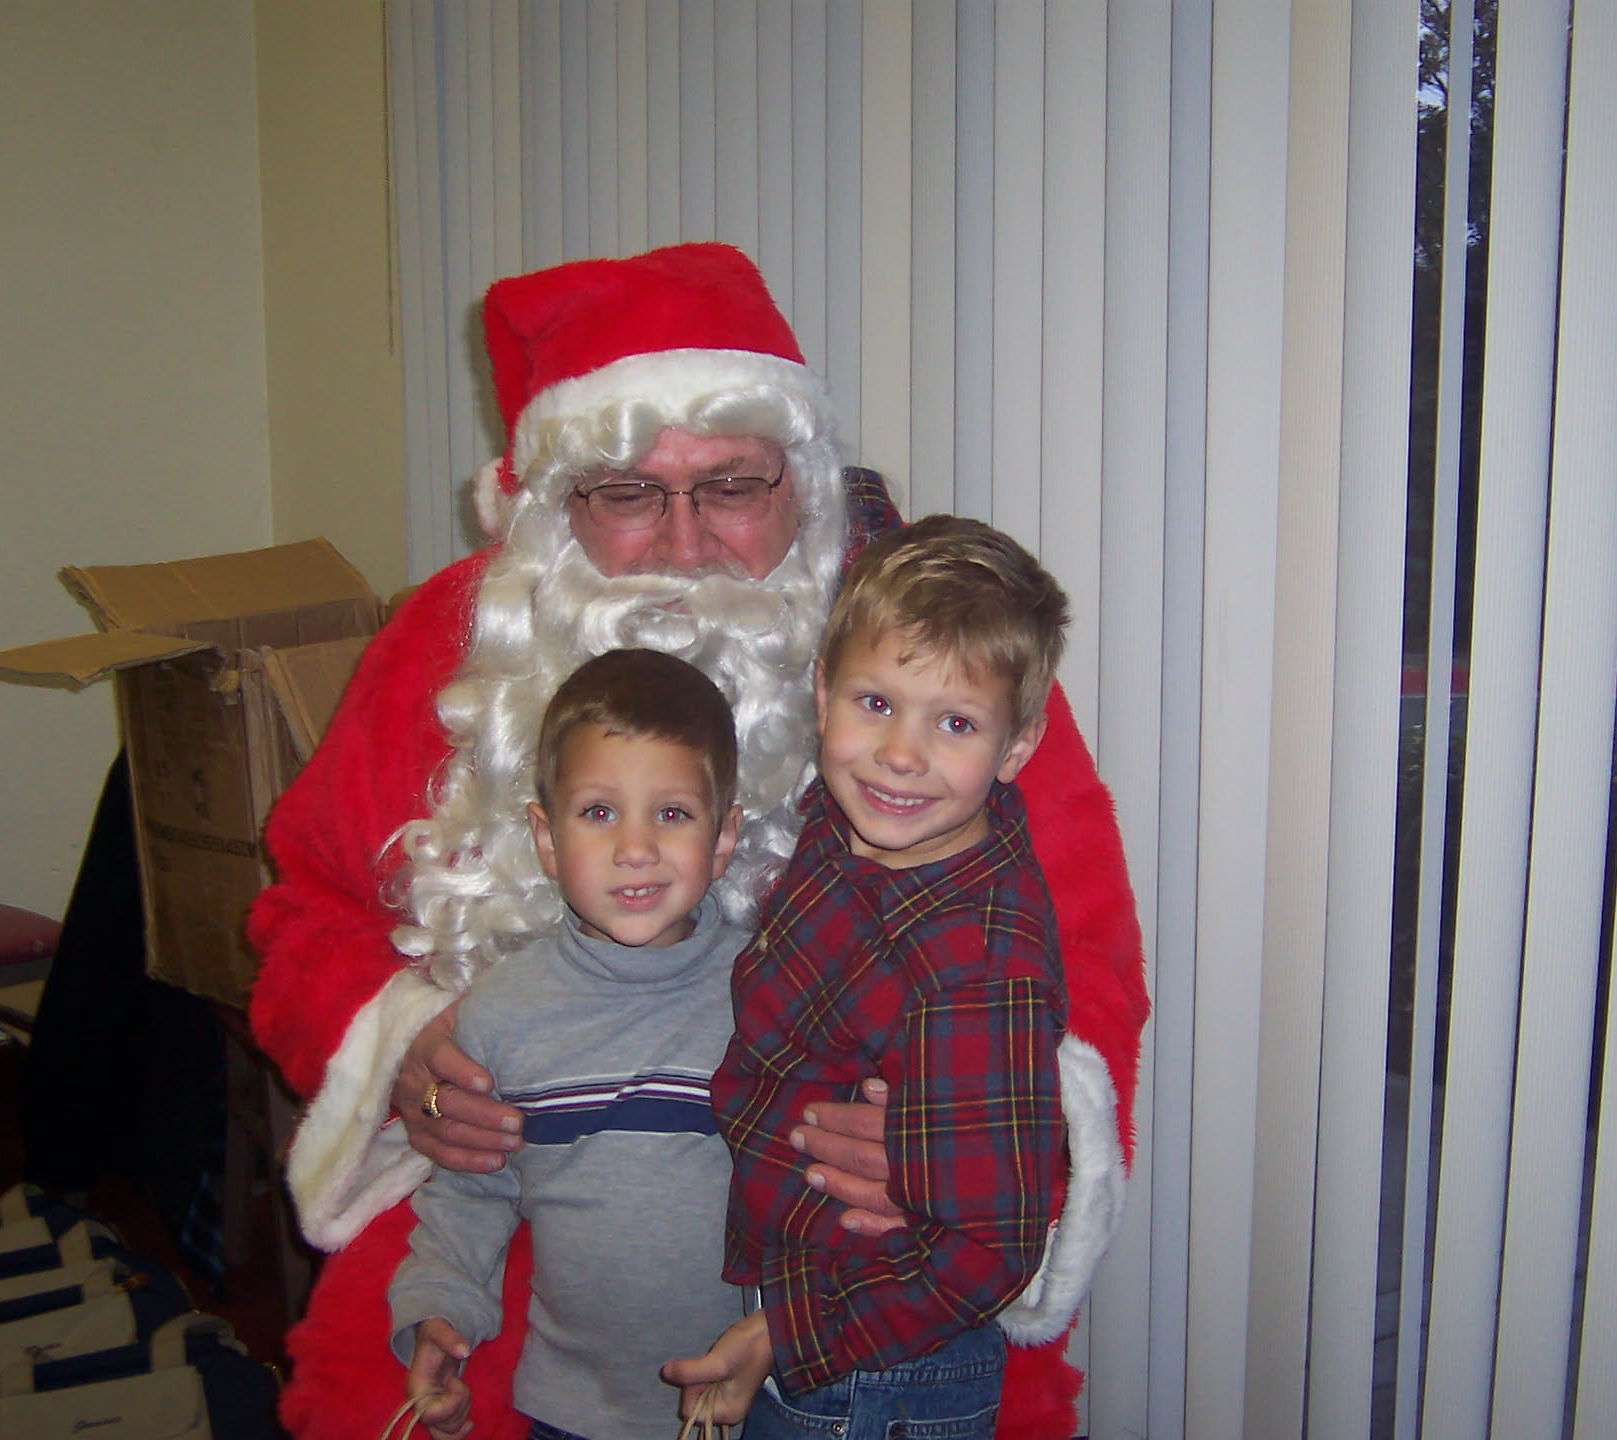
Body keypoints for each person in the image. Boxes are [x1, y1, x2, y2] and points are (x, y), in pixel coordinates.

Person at [247, 242, 1147, 1440]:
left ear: (802, 481)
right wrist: (404, 1047)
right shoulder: (445, 651)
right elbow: (304, 911)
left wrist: (961, 1136)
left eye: (730, 487)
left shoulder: (934, 670)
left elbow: (1088, 965)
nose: (681, 544)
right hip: (511, 1232)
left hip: (850, 1248)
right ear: (553, 503)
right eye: (626, 494)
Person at [666, 516, 1068, 1438]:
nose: (900, 754)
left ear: (1016, 748)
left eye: (955, 723)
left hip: (881, 1370)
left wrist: (788, 1333)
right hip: (806, 1299)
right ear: (823, 693)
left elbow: (988, 1248)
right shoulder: (848, 815)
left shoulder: (978, 970)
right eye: (876, 702)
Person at [391, 649, 749, 1440]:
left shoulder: (769, 996)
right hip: (570, 1411)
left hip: (750, 1405)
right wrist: (439, 1314)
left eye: (672, 814)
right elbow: (470, 1192)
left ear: (724, 836)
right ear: (546, 838)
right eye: (598, 813)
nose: (635, 848)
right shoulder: (501, 1013)